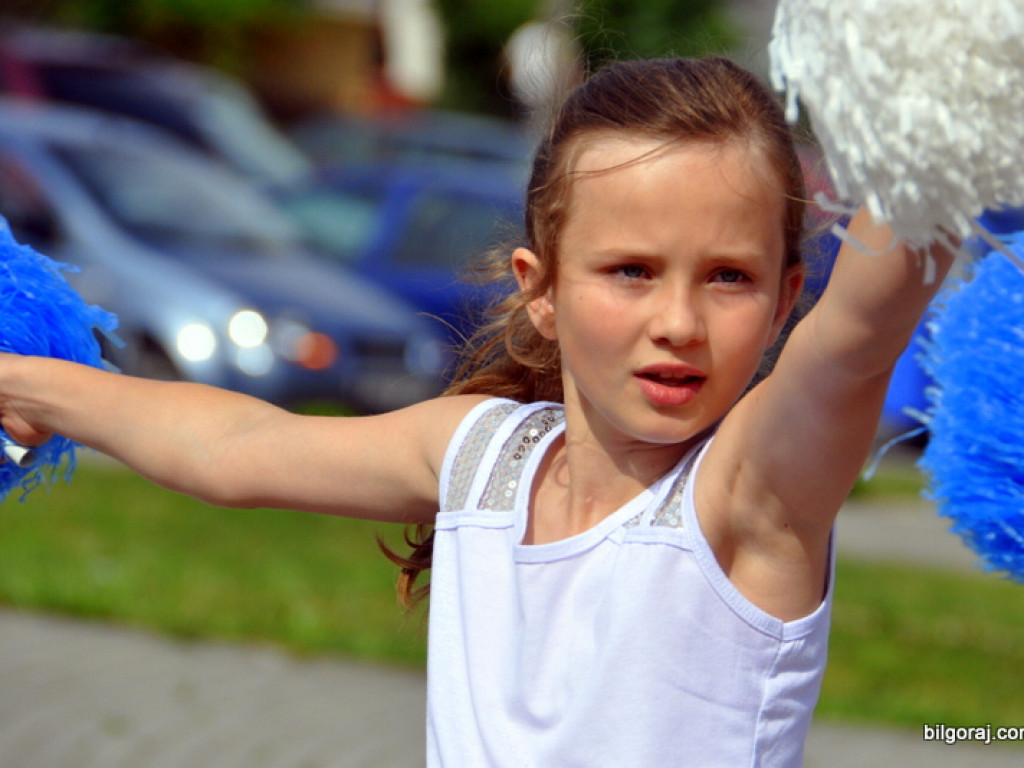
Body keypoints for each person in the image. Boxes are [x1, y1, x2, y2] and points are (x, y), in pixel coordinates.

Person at [0, 57, 952, 766]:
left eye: (729, 279)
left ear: (787, 299)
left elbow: (861, 330)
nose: (679, 322)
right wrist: (30, 386)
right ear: (541, 289)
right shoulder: (482, 453)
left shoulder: (749, 499)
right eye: (630, 270)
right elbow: (238, 445)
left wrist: (952, 89)